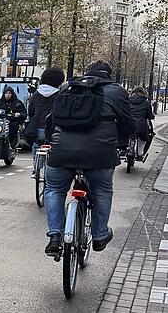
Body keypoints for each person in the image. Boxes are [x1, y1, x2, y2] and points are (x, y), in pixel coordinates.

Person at [44, 60, 135, 257]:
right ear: (109, 75)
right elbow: (129, 124)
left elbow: (51, 120)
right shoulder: (117, 91)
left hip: (62, 152)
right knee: (102, 190)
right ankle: (100, 235)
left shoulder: (69, 88)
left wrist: (53, 141)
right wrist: (120, 143)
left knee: (54, 189)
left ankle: (55, 236)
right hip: (100, 154)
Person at [26, 67, 65, 169]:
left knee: (37, 145)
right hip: (53, 130)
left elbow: (30, 112)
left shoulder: (35, 95)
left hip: (38, 129)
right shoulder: (60, 95)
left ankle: (36, 168)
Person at [128, 85, 155, 156]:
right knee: (145, 136)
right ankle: (140, 152)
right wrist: (152, 116)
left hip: (129, 124)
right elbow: (149, 115)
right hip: (140, 125)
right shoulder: (146, 103)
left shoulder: (128, 100)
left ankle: (124, 149)